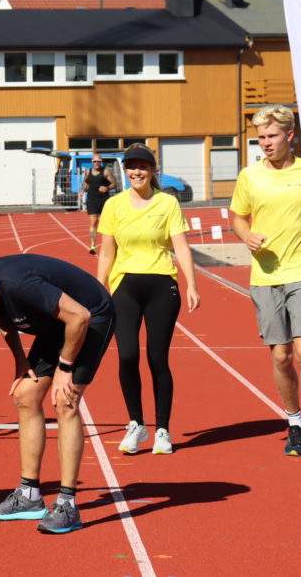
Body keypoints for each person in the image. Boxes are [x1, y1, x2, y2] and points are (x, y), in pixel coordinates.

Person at [0, 254, 115, 534]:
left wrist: (65, 367)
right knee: (25, 395)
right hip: (56, 323)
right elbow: (2, 318)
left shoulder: (20, 284)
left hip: (89, 316)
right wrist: (20, 361)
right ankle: (29, 496)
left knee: (65, 400)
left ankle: (68, 505)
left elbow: (79, 317)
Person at [230, 104, 301, 465]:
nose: (266, 143)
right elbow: (238, 217)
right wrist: (246, 236)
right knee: (281, 356)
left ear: (290, 135)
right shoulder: (250, 176)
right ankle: (295, 422)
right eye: (261, 137)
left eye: (272, 135)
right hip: (265, 275)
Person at [95, 143, 199, 456]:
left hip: (161, 287)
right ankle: (135, 424)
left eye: (142, 166)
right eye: (131, 167)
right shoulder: (114, 206)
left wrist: (191, 284)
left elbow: (181, 247)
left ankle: (163, 430)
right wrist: (99, 288)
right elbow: (107, 251)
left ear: (153, 170)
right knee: (127, 355)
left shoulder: (168, 203)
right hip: (124, 286)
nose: (136, 172)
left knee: (157, 358)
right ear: (124, 171)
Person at [78, 153, 116, 255]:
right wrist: (82, 191)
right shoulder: (88, 172)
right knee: (93, 222)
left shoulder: (106, 171)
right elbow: (86, 182)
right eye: (94, 161)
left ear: (101, 161)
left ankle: (109, 244)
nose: (96, 163)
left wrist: (107, 188)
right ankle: (93, 245)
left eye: (98, 161)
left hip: (104, 200)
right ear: (92, 162)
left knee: (106, 223)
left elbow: (114, 183)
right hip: (92, 200)